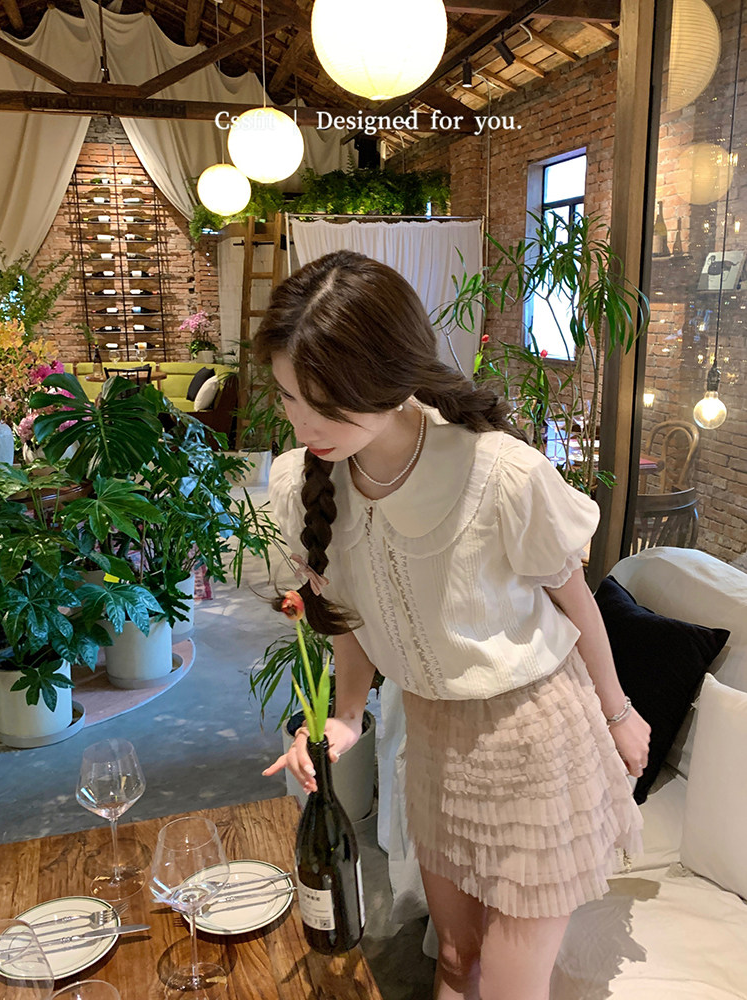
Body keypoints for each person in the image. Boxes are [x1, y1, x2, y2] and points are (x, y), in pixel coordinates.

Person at [257, 250, 650, 1000]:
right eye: (287, 398)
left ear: (392, 376)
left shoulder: (500, 473)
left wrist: (619, 712)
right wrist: (346, 716)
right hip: (434, 736)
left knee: (506, 982)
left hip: (534, 737)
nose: (304, 425)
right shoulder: (300, 482)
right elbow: (349, 621)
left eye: (327, 405)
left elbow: (575, 600)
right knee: (453, 958)